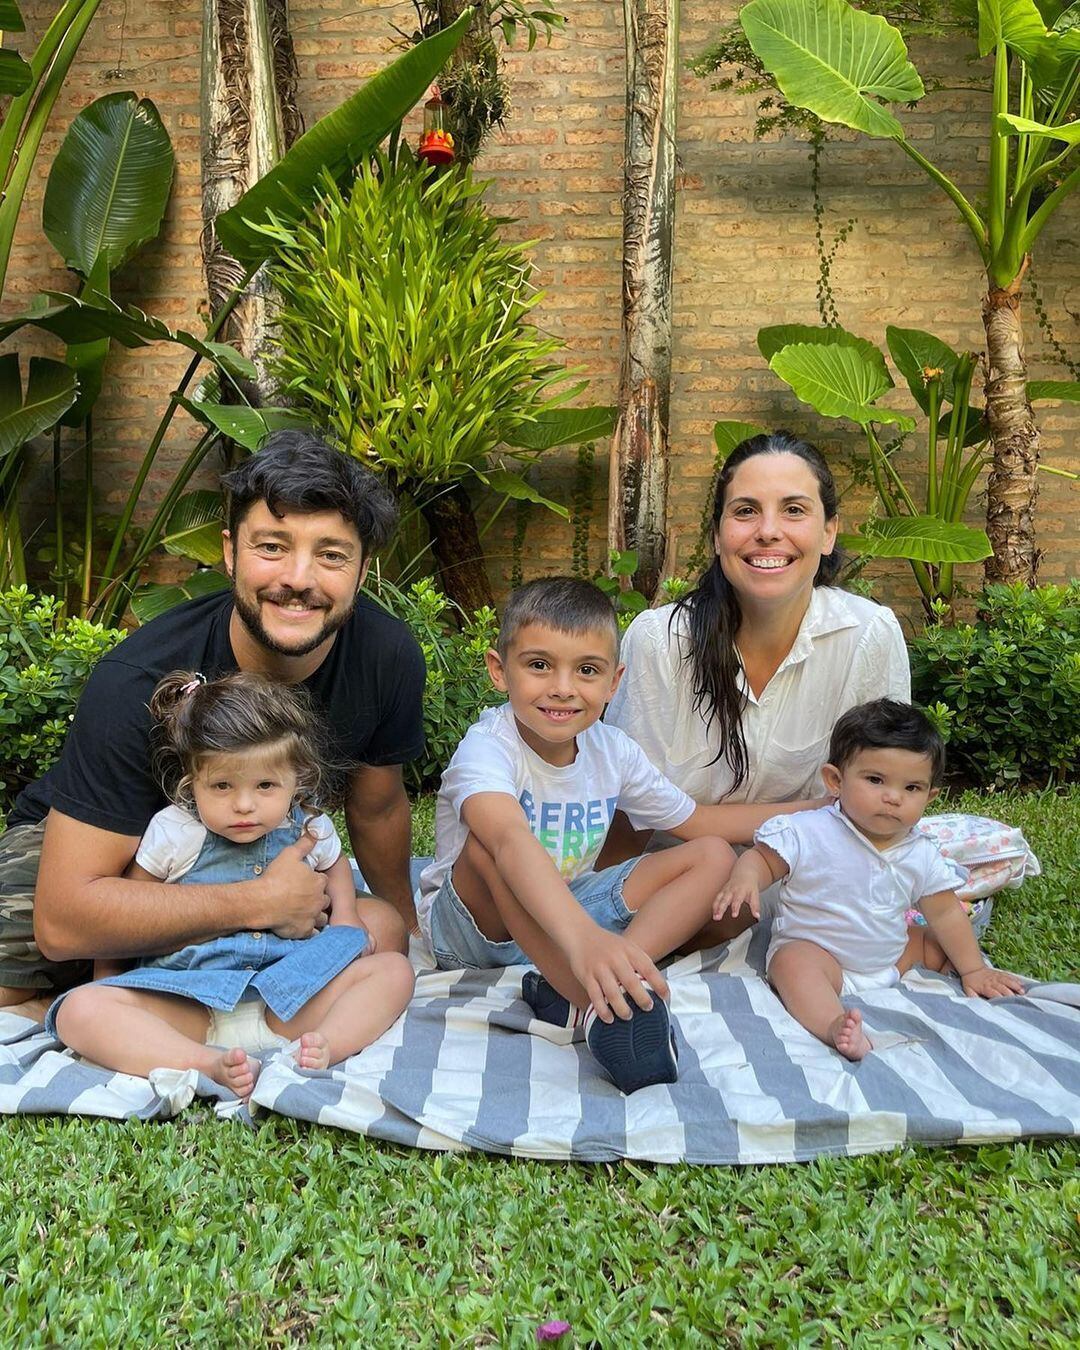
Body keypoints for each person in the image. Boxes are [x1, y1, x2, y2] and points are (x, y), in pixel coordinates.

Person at [0, 430, 425, 1020]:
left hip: (252, 843)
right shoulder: (136, 677)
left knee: (381, 929)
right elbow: (64, 920)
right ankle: (95, 999)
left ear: (361, 569)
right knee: (29, 968)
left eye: (331, 554)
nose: (299, 578)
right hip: (106, 846)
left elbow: (377, 809)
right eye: (272, 547)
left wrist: (404, 921)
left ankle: (188, 997)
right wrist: (259, 902)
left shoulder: (387, 654)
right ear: (230, 553)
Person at [417, 577, 827, 1094]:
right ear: (500, 671)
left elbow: (697, 822)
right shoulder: (488, 747)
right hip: (477, 929)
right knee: (487, 844)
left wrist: (817, 810)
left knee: (712, 856)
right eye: (539, 665)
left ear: (614, 683)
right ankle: (593, 989)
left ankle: (605, 988)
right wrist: (585, 941)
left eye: (586, 670)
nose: (563, 687)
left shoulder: (613, 750)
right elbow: (506, 842)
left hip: (562, 914)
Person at [604, 430, 911, 944]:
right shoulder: (659, 641)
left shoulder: (869, 636)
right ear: (717, 535)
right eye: (745, 511)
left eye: (794, 510)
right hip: (673, 875)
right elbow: (633, 815)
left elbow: (882, 796)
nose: (769, 532)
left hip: (803, 875)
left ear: (829, 533)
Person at [48, 671, 415, 1099]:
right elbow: (128, 907)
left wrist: (348, 917)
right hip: (191, 1000)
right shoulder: (175, 832)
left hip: (288, 997)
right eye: (222, 786)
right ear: (192, 781)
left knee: (393, 970)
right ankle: (204, 1063)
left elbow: (334, 866)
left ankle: (326, 1044)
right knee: (79, 1009)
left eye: (265, 786)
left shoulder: (308, 825)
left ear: (297, 779)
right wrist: (108, 980)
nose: (244, 805)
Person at [713, 699, 1026, 1060]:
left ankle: (974, 977)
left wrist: (972, 969)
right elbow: (761, 860)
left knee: (934, 938)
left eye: (912, 788)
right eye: (875, 780)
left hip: (892, 957)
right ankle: (834, 1024)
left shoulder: (921, 852)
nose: (893, 797)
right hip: (821, 953)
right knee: (791, 964)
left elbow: (944, 913)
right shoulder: (808, 831)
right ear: (835, 780)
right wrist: (745, 878)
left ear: (930, 796)